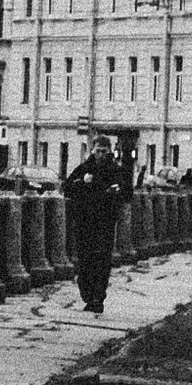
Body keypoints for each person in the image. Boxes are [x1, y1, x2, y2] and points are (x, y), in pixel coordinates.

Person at [63, 133, 130, 315]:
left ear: (109, 152)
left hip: (106, 221)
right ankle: (87, 294)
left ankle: (98, 298)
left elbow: (127, 193)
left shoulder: (115, 170)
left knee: (102, 261)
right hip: (84, 220)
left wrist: (116, 191)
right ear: (92, 150)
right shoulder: (84, 168)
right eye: (98, 151)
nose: (101, 155)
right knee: (84, 260)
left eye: (104, 151)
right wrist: (82, 182)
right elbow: (67, 187)